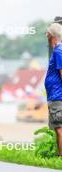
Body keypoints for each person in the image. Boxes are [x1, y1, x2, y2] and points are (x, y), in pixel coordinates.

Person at [45, 23, 62, 157]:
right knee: (57, 128)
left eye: (47, 33)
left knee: (59, 128)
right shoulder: (58, 50)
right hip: (54, 96)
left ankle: (60, 156)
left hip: (57, 96)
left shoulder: (58, 51)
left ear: (52, 35)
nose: (46, 35)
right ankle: (59, 154)